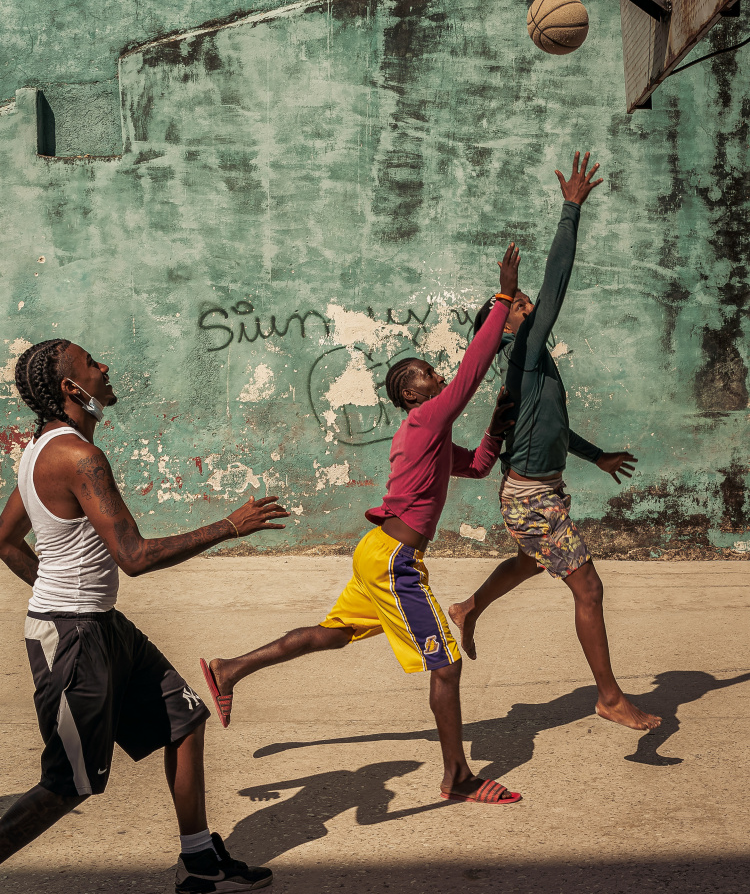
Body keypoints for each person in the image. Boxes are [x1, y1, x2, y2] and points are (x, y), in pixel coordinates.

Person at [201, 244, 522, 805]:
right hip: (394, 562)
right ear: (409, 394)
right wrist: (501, 298)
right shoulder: (424, 419)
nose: (438, 375)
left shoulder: (429, 435)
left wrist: (494, 427)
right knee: (445, 664)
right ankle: (457, 778)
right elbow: (472, 372)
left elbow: (475, 466)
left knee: (332, 635)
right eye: (426, 374)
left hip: (379, 552)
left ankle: (229, 669)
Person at [0, 339, 289, 892]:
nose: (104, 367)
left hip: (100, 624)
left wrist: (63, 590)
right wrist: (227, 527)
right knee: (68, 785)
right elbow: (133, 557)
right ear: (70, 388)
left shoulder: (39, 449)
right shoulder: (79, 457)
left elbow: (7, 541)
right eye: (90, 363)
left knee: (184, 720)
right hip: (74, 637)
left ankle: (200, 860)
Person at [449, 152, 662, 732]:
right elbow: (556, 282)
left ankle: (468, 608)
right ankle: (609, 696)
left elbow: (552, 430)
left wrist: (597, 456)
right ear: (508, 329)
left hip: (540, 491)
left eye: (522, 305)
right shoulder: (520, 353)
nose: (530, 307)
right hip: (529, 499)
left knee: (528, 561)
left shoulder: (533, 367)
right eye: (520, 308)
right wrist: (570, 211)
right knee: (587, 587)